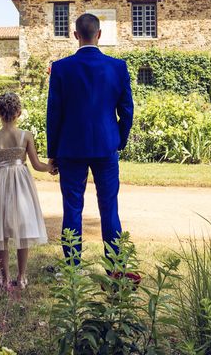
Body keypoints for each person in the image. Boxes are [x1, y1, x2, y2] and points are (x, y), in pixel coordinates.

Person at [46, 13, 134, 258]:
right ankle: (115, 270)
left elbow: (54, 113)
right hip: (106, 147)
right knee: (109, 209)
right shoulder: (118, 67)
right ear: (99, 35)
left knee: (72, 209)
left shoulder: (61, 68)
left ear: (75, 35)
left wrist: (52, 153)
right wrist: (119, 140)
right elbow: (126, 111)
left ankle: (72, 269)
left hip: (71, 149)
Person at [0, 92, 51, 289]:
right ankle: (22, 276)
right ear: (18, 112)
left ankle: (4, 277)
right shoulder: (26, 136)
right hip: (21, 185)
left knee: (1, 232)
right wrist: (51, 166)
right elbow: (36, 164)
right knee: (22, 229)